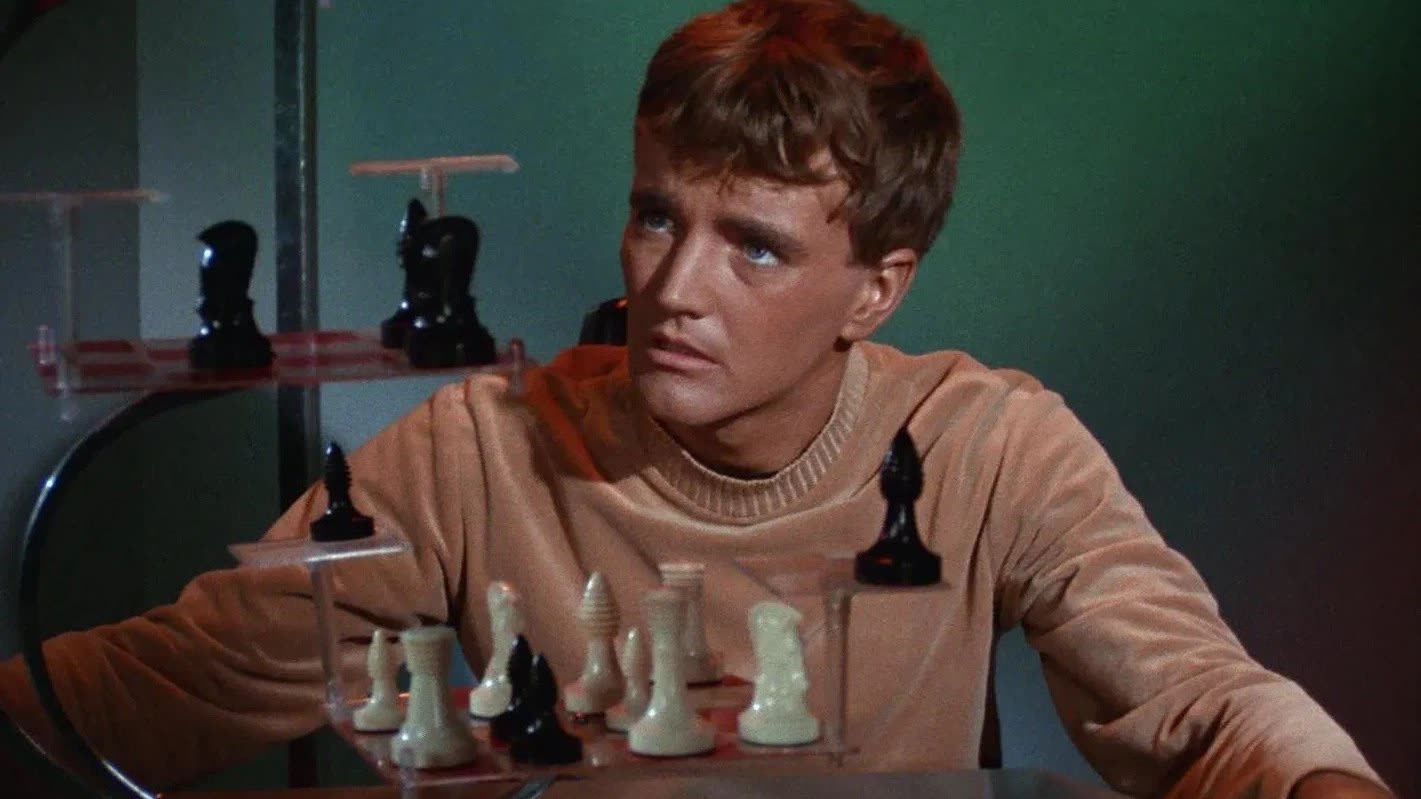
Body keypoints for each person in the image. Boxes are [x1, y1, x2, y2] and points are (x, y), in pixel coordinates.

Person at [0, 1, 1392, 796]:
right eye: (657, 216)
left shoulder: (985, 447)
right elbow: (172, 681)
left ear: (874, 290)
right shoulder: (478, 452)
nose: (674, 288)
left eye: (756, 247)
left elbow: (1204, 709)